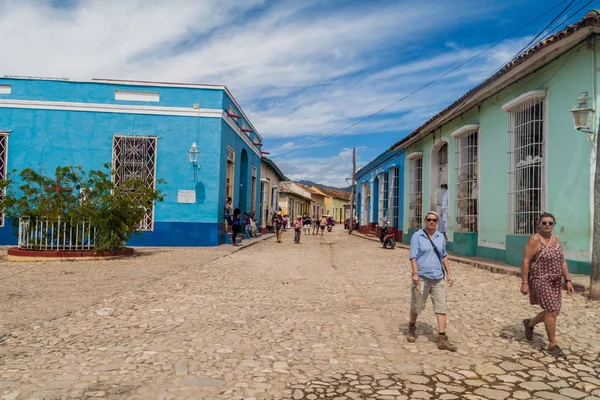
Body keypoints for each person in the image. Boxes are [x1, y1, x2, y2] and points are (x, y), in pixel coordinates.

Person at [520, 212, 574, 358]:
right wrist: (525, 283)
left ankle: (530, 324)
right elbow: (526, 261)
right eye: (544, 223)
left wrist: (567, 280)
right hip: (540, 280)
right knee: (551, 311)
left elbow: (562, 261)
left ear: (554, 225)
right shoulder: (534, 239)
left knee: (554, 311)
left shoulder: (556, 239)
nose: (547, 225)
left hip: (555, 281)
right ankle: (552, 344)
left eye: (550, 223)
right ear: (539, 224)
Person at [406, 211, 457, 352]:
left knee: (441, 306)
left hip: (438, 278)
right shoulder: (417, 236)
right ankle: (412, 326)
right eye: (429, 219)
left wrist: (449, 275)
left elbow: (444, 256)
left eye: (434, 220)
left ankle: (441, 338)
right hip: (421, 278)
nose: (431, 222)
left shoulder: (440, 237)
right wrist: (415, 273)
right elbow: (413, 256)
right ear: (425, 220)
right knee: (417, 304)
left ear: (437, 222)